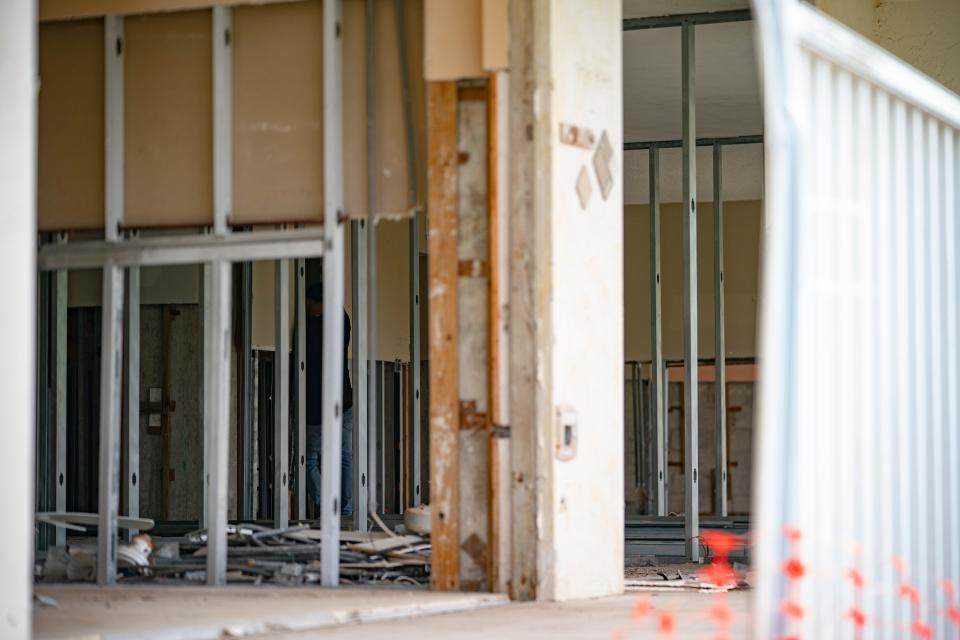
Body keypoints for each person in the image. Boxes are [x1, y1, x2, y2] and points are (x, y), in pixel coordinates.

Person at [304, 282, 354, 518]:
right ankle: (344, 510)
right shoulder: (343, 320)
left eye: (309, 303)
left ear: (318, 303)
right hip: (343, 400)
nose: (306, 307)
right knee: (345, 456)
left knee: (307, 459)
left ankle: (326, 506)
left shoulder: (311, 328)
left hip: (317, 405)